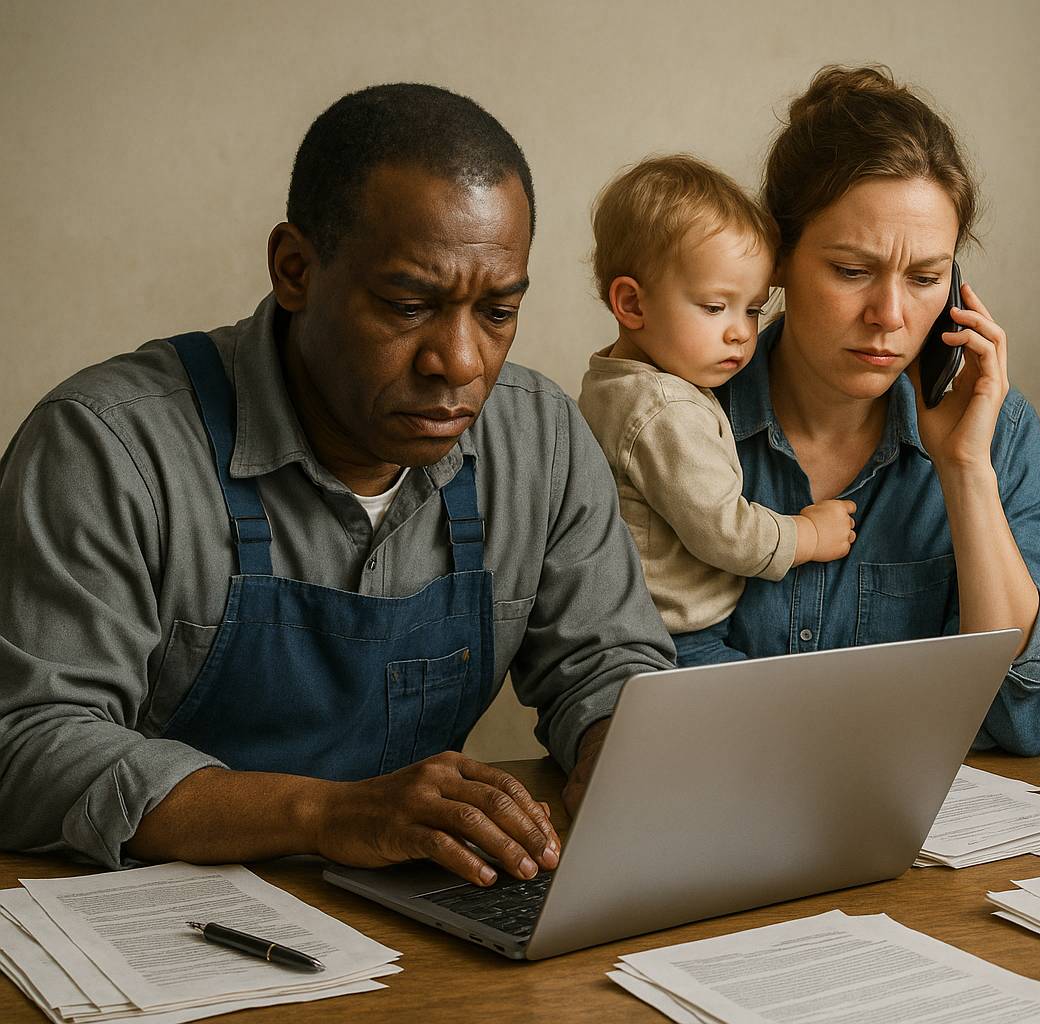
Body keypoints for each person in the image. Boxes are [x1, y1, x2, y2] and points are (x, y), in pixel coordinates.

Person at [0, 84, 674, 884]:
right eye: (408, 303)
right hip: (157, 930)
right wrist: (328, 815)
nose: (459, 363)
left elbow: (609, 667)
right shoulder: (108, 445)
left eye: (497, 313)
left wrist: (621, 758)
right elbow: (30, 743)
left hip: (417, 914)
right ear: (296, 270)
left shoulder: (542, 437)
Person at [686, 65, 1040, 755]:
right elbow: (659, 678)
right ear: (778, 257)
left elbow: (1032, 719)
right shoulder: (683, 423)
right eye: (852, 271)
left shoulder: (999, 433)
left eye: (927, 278)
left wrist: (964, 471)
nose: (891, 316)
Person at [577, 156, 857, 660]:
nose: (741, 332)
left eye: (753, 309)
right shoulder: (665, 411)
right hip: (673, 637)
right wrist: (808, 534)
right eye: (714, 307)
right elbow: (725, 531)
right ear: (633, 305)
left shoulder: (614, 382)